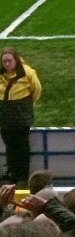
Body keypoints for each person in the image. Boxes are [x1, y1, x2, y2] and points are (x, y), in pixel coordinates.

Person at [1, 48, 42, 187]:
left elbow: (36, 89)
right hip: (5, 115)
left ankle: (22, 177)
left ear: (16, 59)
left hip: (21, 115)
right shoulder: (1, 73)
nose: (7, 64)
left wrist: (27, 104)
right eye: (4, 61)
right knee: (10, 146)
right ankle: (12, 174)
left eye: (9, 61)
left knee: (22, 147)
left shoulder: (28, 72)